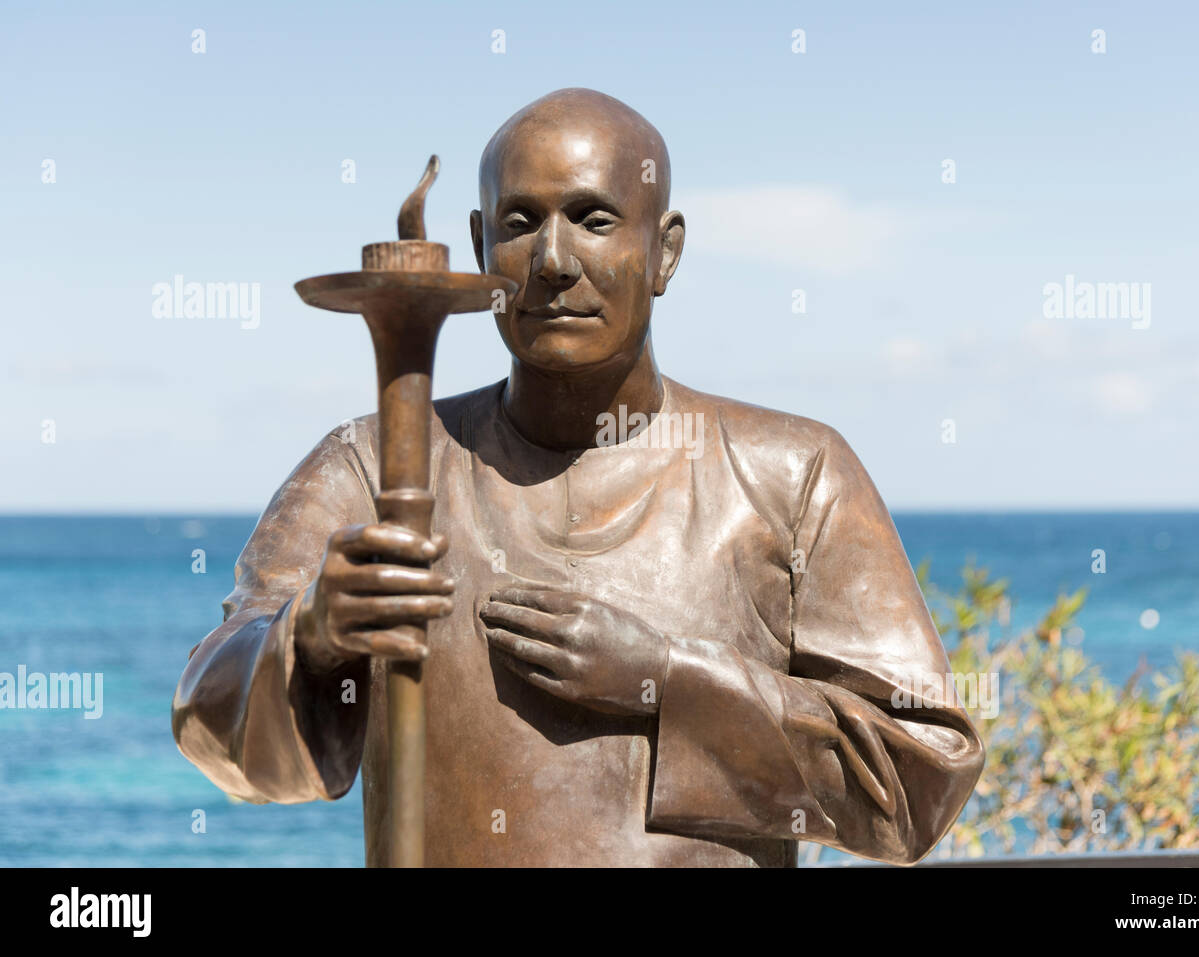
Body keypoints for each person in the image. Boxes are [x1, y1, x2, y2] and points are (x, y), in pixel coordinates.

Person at [172, 88, 984, 867]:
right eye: (520, 223)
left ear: (664, 250)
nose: (554, 261)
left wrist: (669, 679)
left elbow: (920, 780)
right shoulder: (372, 466)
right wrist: (310, 636)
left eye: (594, 219)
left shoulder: (793, 474)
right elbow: (218, 733)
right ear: (482, 245)